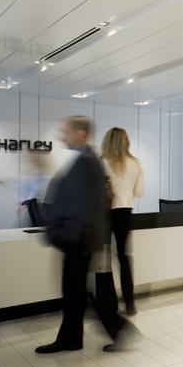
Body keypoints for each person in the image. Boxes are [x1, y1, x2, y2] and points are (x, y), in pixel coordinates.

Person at [35, 116, 107, 354]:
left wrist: (67, 235)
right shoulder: (85, 159)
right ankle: (73, 337)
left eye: (65, 131)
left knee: (74, 292)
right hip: (79, 239)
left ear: (80, 134)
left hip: (78, 240)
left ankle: (74, 338)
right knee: (75, 293)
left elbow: (81, 206)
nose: (61, 136)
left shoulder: (86, 161)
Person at [101, 127, 144, 316]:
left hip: (105, 213)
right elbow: (140, 191)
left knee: (104, 259)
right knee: (123, 256)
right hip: (125, 212)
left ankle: (109, 303)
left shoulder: (102, 162)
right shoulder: (135, 163)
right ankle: (130, 302)